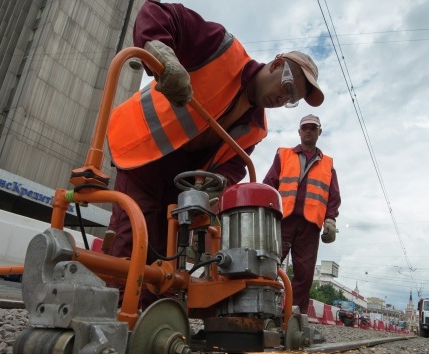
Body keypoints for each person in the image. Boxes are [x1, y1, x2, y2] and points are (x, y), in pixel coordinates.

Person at [106, 1, 324, 308]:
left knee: (166, 260)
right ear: (276, 65)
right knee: (132, 243)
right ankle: (116, 318)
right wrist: (163, 56)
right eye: (288, 87)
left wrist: (216, 184)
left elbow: (233, 165)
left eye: (291, 99)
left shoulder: (257, 127)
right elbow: (156, 11)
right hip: (141, 151)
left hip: (179, 184)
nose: (283, 98)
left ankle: (155, 320)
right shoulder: (222, 49)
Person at [262, 114, 341, 314]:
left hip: (310, 226)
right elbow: (269, 184)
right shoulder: (283, 155)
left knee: (304, 274)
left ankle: (294, 316)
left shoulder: (328, 165)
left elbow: (333, 196)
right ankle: (262, 308)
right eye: (305, 127)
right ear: (299, 132)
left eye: (312, 128)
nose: (308, 131)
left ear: (319, 132)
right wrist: (265, 211)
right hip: (283, 221)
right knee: (269, 264)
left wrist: (330, 220)